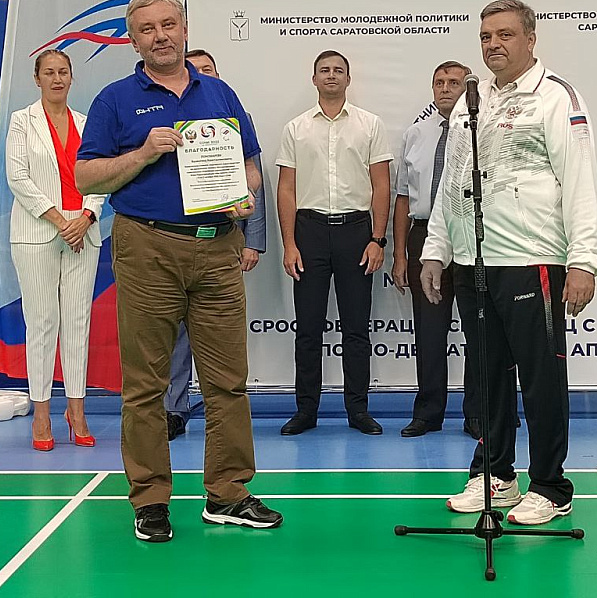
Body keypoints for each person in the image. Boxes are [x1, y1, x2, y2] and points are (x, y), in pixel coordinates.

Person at [75, 0, 282, 543]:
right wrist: (143, 153)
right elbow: (85, 177)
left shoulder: (219, 92)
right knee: (146, 385)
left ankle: (228, 493)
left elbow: (251, 166)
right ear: (133, 40)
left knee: (228, 381)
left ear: (185, 28)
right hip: (147, 247)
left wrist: (243, 194)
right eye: (147, 29)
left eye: (169, 24)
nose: (160, 35)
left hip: (217, 248)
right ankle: (149, 499)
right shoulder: (115, 100)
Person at [420, 0, 597, 525]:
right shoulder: (470, 101)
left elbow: (580, 180)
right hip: (473, 262)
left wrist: (584, 259)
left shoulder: (556, 97)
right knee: (486, 377)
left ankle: (550, 485)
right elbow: (452, 180)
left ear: (530, 38)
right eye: (485, 36)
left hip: (532, 259)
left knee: (541, 378)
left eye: (504, 34)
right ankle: (495, 476)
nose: (493, 44)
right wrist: (436, 249)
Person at [277, 50, 393, 436]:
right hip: (308, 232)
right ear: (314, 79)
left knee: (356, 329)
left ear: (348, 79)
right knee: (308, 329)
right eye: (324, 70)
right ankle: (305, 411)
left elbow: (381, 185)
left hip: (356, 233)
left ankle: (358, 410)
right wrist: (290, 244)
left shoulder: (370, 125)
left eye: (338, 70)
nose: (331, 75)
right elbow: (287, 189)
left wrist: (378, 239)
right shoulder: (295, 128)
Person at [164, 48, 267, 441]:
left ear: (218, 75)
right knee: (176, 337)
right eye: (196, 70)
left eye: (209, 69)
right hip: (174, 240)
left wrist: (253, 241)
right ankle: (174, 409)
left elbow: (255, 180)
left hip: (224, 241)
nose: (203, 75)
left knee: (221, 339)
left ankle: (222, 415)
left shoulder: (236, 117)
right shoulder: (170, 121)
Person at [6, 49, 106, 452]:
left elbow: (99, 176)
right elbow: (18, 177)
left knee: (78, 322)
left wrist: (87, 216)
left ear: (71, 77)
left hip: (83, 231)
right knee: (43, 322)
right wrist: (59, 220)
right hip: (37, 233)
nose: (57, 78)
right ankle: (42, 413)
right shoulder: (22, 121)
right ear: (37, 79)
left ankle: (76, 411)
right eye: (49, 72)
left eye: (63, 71)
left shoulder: (86, 123)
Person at [391, 60, 480, 438]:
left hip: (472, 235)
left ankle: (479, 414)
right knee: (428, 331)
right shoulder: (416, 134)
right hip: (424, 235)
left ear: (468, 89)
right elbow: (401, 197)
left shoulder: (481, 130)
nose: (445, 88)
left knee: (479, 331)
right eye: (439, 82)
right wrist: (400, 254)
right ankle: (428, 413)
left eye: (454, 82)